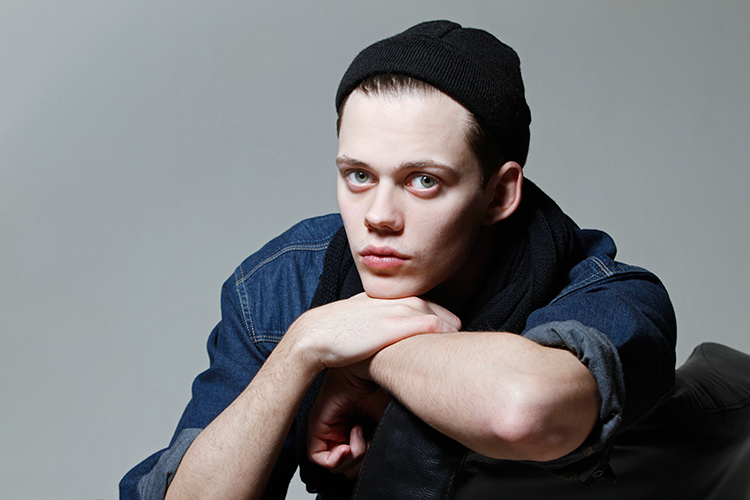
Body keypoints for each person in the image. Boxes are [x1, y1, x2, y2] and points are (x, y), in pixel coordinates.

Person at [120, 20, 676, 500]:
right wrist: (301, 349)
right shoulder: (286, 282)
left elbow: (522, 411)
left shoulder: (607, 295)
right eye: (359, 175)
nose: (379, 217)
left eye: (423, 180)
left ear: (500, 194)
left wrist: (366, 357)